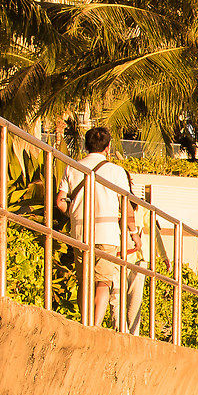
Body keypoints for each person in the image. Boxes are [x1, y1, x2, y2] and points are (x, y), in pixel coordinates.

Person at [59, 128, 139, 331]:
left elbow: (60, 201)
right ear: (108, 147)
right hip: (107, 232)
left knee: (83, 279)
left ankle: (84, 321)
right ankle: (94, 325)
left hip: (80, 231)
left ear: (85, 145)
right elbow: (126, 205)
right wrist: (133, 232)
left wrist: (73, 214)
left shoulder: (72, 167)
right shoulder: (116, 171)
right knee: (103, 281)